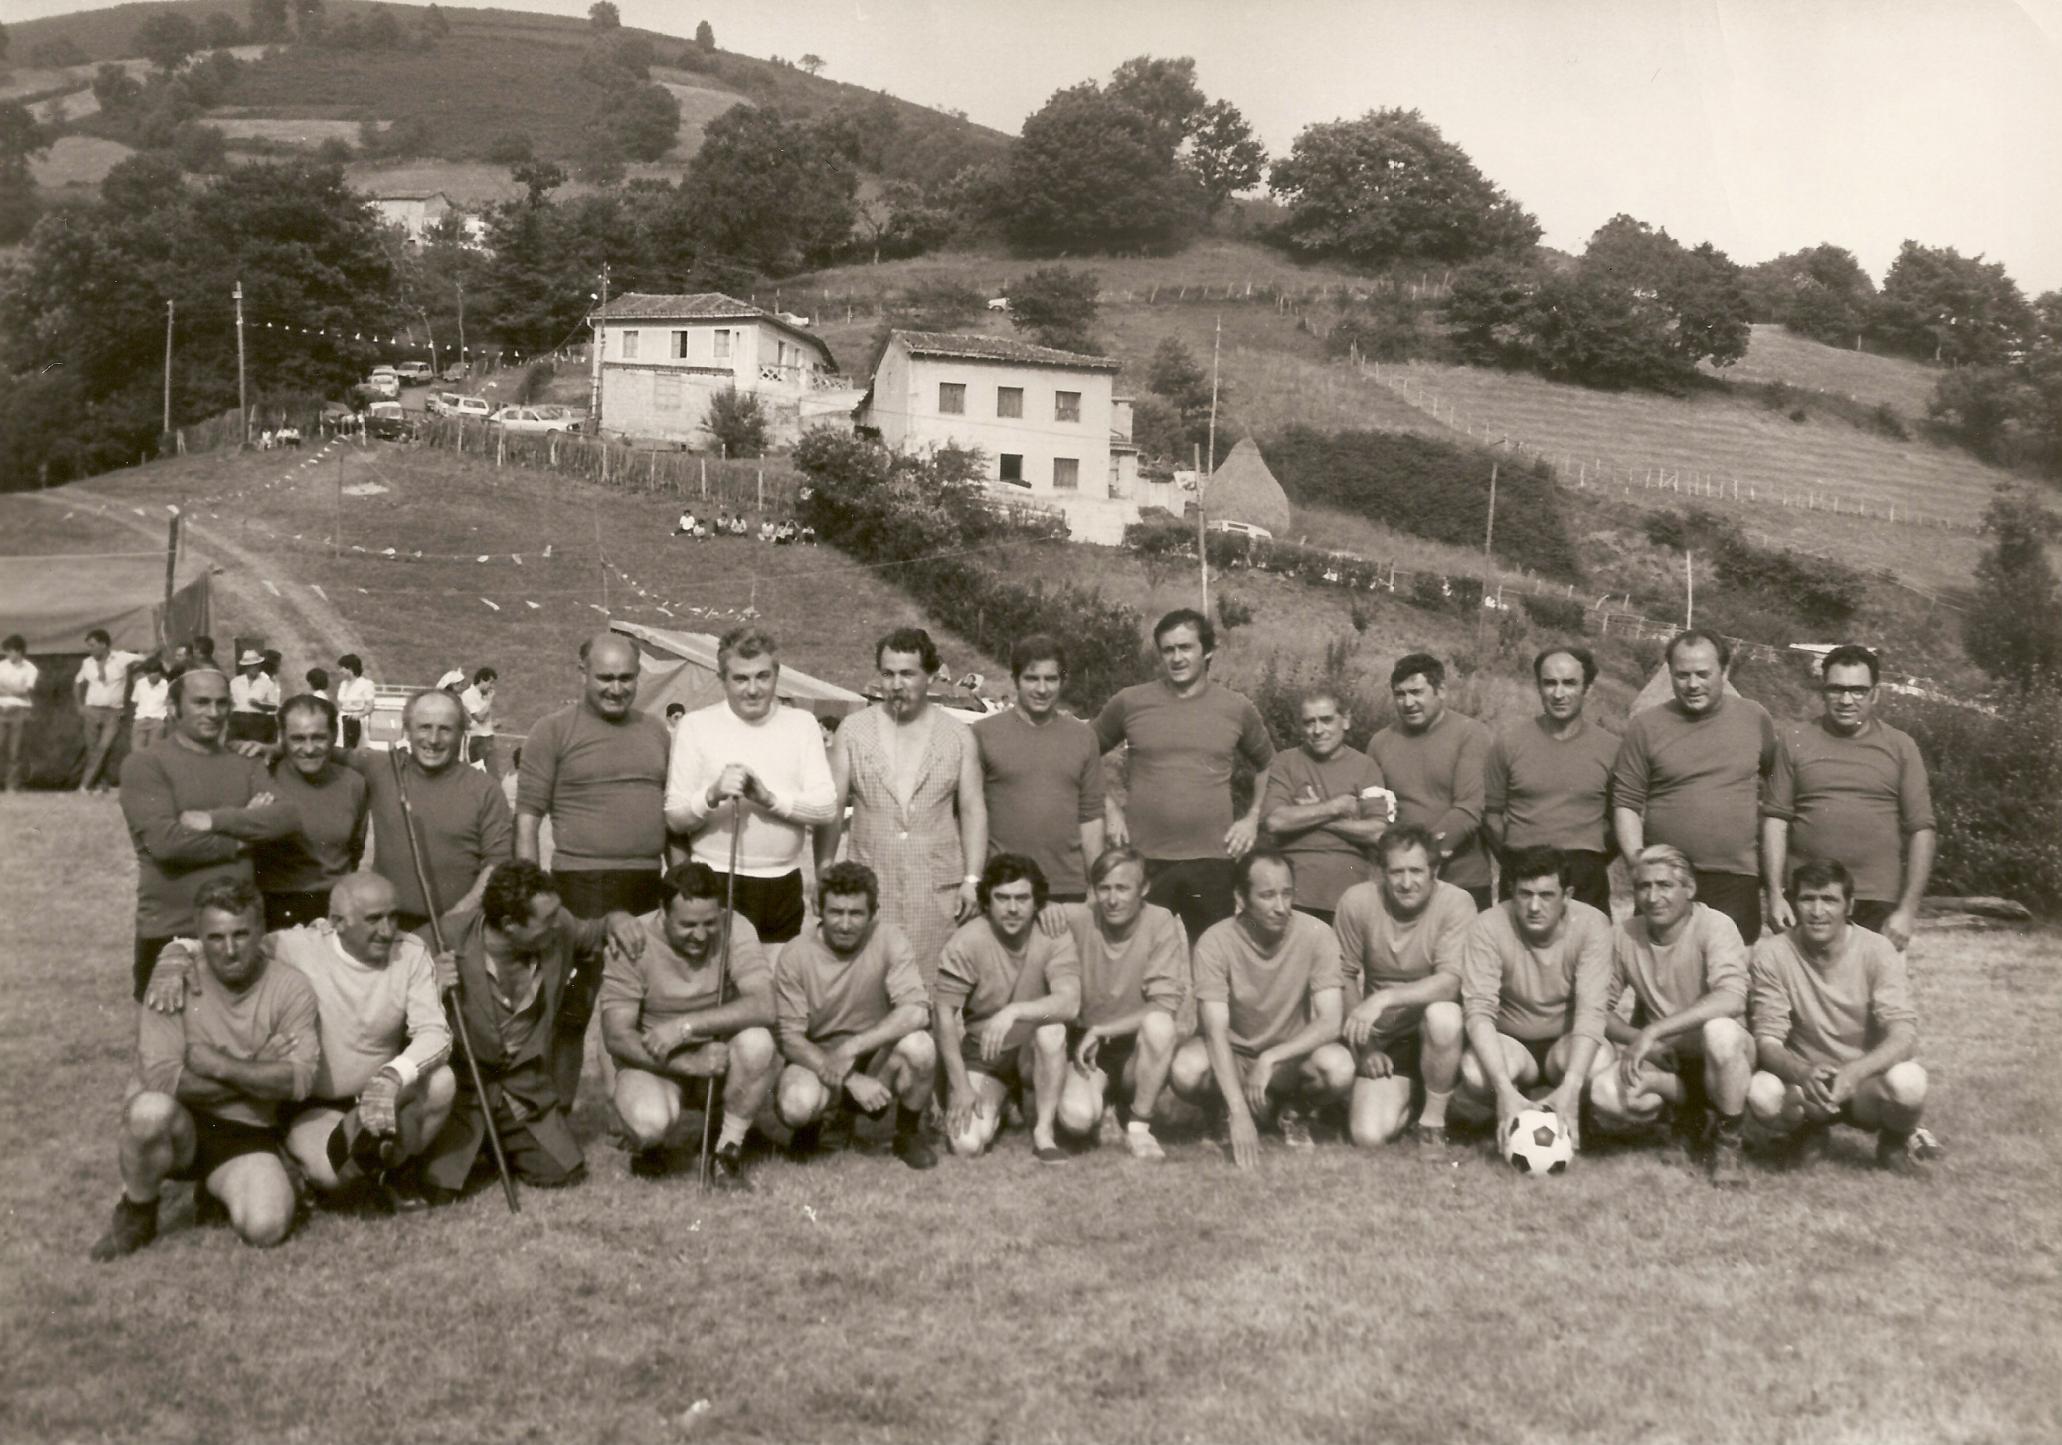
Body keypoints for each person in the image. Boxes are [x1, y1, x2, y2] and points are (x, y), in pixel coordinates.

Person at [139, 873, 456, 1211]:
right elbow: (230, 942)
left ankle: (396, 1171)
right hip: (317, 1104)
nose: (388, 930)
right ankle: (299, 1166)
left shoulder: (410, 952)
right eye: (374, 919)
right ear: (337, 922)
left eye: (393, 916)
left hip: (385, 1089)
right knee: (334, 1174)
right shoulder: (298, 946)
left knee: (441, 1082)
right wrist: (175, 952)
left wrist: (393, 1076)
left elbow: (435, 1032)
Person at [90, 881, 319, 1260]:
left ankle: (218, 1190)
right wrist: (258, 1068)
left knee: (267, 1227)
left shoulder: (290, 987)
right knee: (149, 1111)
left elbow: (297, 1080)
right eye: (215, 938)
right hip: (181, 1123)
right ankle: (138, 1210)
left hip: (248, 1131)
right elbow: (166, 1080)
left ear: (261, 930)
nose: (229, 950)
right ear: (199, 936)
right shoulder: (170, 983)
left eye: (241, 934)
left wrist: (220, 1065)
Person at [419, 861, 642, 1198]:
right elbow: (384, 999)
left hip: (521, 1090)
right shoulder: (441, 938)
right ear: (509, 924)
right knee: (439, 1191)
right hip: (464, 1091)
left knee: (563, 1174)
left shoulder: (559, 926)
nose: (558, 924)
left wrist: (617, 918)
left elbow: (594, 930)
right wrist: (427, 986)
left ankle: (501, 1143)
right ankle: (472, 1145)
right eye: (547, 920)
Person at [517, 634, 671, 1104]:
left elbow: (672, 818)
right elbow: (527, 821)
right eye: (605, 677)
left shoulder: (657, 732)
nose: (616, 688)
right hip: (579, 884)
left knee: (636, 1007)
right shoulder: (553, 729)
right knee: (571, 1008)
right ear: (581, 671)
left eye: (626, 678)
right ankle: (555, 1110)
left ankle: (631, 1110)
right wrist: (532, 898)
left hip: (646, 882)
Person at [819, 627, 987, 990]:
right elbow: (832, 808)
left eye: (907, 673)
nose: (896, 684)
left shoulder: (958, 735)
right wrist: (823, 867)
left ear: (931, 675)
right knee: (866, 990)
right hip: (870, 884)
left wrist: (973, 879)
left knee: (927, 996)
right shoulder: (853, 730)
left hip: (934, 891)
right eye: (888, 673)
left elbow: (973, 810)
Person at [1095, 608, 1275, 944]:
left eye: (1185, 648)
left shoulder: (1236, 707)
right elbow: (1083, 753)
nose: (1176, 658)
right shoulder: (1130, 701)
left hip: (1211, 861)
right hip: (1144, 856)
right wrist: (1110, 809)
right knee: (1133, 959)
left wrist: (1251, 819)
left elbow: (1269, 765)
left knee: (1212, 964)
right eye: (1168, 649)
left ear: (1207, 651)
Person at [1746, 860, 1935, 1174]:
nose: (1817, 911)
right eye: (1808, 899)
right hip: (1810, 1083)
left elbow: (1903, 1033)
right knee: (1762, 1093)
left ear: (1850, 906)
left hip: (1865, 1081)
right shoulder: (1772, 953)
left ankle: (1893, 1143)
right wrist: (1803, 1071)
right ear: (1795, 903)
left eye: (1829, 900)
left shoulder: (1878, 949)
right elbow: (1767, 1040)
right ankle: (1807, 1132)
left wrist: (1855, 1072)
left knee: (1910, 1082)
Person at [119, 668, 297, 1000]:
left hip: (240, 932)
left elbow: (286, 817)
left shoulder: (245, 761)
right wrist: (245, 834)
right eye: (201, 703)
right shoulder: (145, 764)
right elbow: (167, 843)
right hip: (171, 927)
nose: (213, 713)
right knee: (168, 1044)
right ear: (173, 708)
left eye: (221, 703)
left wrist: (215, 820)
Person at [1169, 850, 1354, 1167]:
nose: (1280, 907)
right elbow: (1214, 1032)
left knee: (1339, 1067)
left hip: (1290, 1058)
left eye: (1287, 893)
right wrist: (1238, 1111)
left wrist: (1271, 1057)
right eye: (1267, 896)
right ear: (1241, 897)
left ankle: (1295, 1113)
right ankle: (1224, 1113)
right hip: (1234, 1054)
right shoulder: (1215, 941)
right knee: (1185, 1069)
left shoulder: (1317, 934)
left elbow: (1330, 1021)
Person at [601, 862, 778, 1189]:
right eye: (688, 925)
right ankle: (651, 1148)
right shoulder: (632, 940)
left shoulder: (736, 927)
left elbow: (765, 1005)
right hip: (655, 1061)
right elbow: (617, 1036)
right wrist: (687, 1063)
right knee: (649, 1123)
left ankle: (728, 1150)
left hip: (716, 1054)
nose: (700, 935)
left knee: (759, 1041)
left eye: (710, 923)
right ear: (663, 912)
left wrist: (686, 1026)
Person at [664, 627, 838, 952]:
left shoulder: (801, 725)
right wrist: (711, 795)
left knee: (774, 989)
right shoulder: (695, 726)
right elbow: (674, 818)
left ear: (777, 674)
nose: (754, 690)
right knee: (718, 986)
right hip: (715, 879)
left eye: (763, 677)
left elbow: (826, 808)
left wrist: (767, 798)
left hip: (782, 882)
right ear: (722, 678)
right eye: (741, 679)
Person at [1585, 845, 1752, 1183]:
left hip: (1721, 1057)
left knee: (1720, 1032)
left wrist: (1654, 1031)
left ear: (1689, 889)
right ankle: (1688, 1118)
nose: (1653, 897)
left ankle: (1728, 1140)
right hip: (1668, 1059)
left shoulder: (1716, 925)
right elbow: (1597, 1009)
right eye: (1644, 887)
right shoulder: (1624, 935)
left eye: (1664, 885)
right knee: (1605, 1092)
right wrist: (1641, 1039)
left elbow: (1731, 999)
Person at [1762, 645, 1936, 949]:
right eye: (1836, 689)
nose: (1846, 700)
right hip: (1808, 896)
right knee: (1803, 992)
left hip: (1876, 899)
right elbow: (1775, 820)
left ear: (1875, 694)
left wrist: (1908, 910)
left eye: (1857, 690)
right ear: (1823, 690)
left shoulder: (1901, 747)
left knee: (1870, 994)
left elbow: (1922, 830)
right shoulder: (1795, 740)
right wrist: (1775, 895)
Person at [1612, 629, 1778, 943]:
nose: (1692, 685)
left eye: (1703, 674)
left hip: (1735, 877)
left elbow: (1777, 788)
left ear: (1725, 672)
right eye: (1682, 675)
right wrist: (1640, 866)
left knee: (1728, 980)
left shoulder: (1754, 718)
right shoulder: (1646, 726)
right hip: (1665, 878)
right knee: (1658, 978)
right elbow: (1626, 803)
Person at [772, 861, 939, 1170]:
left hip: (873, 1055)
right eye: (836, 912)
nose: (845, 924)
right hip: (819, 1058)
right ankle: (812, 1127)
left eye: (856, 914)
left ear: (873, 912)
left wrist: (853, 1049)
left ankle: (907, 1133)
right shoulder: (795, 954)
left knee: (920, 1047)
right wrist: (849, 1078)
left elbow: (916, 1011)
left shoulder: (890, 939)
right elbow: (790, 1040)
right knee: (796, 1105)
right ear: (818, 909)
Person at [1452, 845, 1616, 1149]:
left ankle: (1570, 1104)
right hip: (1514, 1043)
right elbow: (1478, 1011)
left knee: (1600, 1062)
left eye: (1546, 895)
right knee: (1475, 1073)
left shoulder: (1593, 924)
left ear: (1567, 895)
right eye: (1525, 894)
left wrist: (1572, 1083)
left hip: (1564, 1043)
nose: (1534, 906)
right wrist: (1501, 1087)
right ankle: (1512, 1107)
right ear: (1512, 892)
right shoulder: (1488, 925)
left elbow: (1592, 1010)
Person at [1332, 824, 1476, 1154]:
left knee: (1444, 1015)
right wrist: (1365, 1048)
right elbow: (1343, 973)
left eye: (1416, 871)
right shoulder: (1357, 901)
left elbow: (1450, 981)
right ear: (1381, 872)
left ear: (1434, 871)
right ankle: (1413, 1099)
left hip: (1438, 1035)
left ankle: (1434, 1123)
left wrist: (1385, 997)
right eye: (1396, 872)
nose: (1406, 882)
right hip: (1385, 1037)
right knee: (1368, 1135)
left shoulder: (1457, 902)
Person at [934, 854, 1080, 1162]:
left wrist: (1014, 1011)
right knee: (966, 1144)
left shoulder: (1053, 932)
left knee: (1052, 1031)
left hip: (1033, 1051)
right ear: (987, 901)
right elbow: (944, 1014)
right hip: (985, 1053)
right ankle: (1000, 1103)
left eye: (1022, 898)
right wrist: (960, 1086)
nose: (1012, 908)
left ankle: (1043, 1132)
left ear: (1036, 900)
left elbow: (1069, 1003)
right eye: (1002, 898)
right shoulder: (967, 940)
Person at [1048, 845, 1186, 1161]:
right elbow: (1024, 911)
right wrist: (1045, 908)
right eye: (1104, 888)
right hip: (1087, 1049)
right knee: (1076, 1119)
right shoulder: (1080, 917)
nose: (1112, 899)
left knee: (1161, 1026)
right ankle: (1101, 1106)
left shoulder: (1159, 921)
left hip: (1133, 1048)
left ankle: (1139, 1124)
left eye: (1123, 888)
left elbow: (1164, 1003)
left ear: (1144, 889)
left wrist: (1103, 1029)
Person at [347, 689, 513, 934]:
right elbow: (317, 751)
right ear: (407, 730)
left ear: (461, 734)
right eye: (424, 727)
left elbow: (498, 862)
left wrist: (458, 917)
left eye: (445, 729)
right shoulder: (382, 768)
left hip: (456, 927)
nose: (433, 740)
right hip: (390, 928)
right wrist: (273, 750)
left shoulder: (485, 789)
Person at [1484, 646, 1619, 912]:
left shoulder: (1612, 748)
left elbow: (1621, 821)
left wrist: (1592, 860)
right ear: (1538, 687)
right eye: (1550, 683)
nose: (1559, 694)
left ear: (1587, 689)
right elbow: (1490, 817)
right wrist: (1515, 861)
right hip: (1523, 869)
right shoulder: (1508, 743)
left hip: (1585, 875)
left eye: (1569, 683)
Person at [973, 635, 1105, 905]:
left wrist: (1095, 884)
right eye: (1032, 678)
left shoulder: (1083, 737)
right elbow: (968, 815)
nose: (1042, 689)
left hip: (1068, 887)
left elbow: (1091, 818)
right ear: (1015, 679)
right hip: (1005, 887)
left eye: (1051, 679)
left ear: (1062, 681)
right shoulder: (983, 734)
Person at [1367, 653, 1493, 910]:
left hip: (1461, 880)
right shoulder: (1380, 742)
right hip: (1402, 882)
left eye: (1416, 692)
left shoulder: (1470, 733)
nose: (1408, 702)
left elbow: (1469, 808)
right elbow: (1377, 812)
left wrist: (1420, 858)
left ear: (1441, 690)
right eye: (1399, 694)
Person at [1260, 687, 1391, 924]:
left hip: (1348, 889)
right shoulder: (1285, 762)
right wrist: (1334, 807)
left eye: (1326, 720)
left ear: (1346, 721)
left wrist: (1314, 815)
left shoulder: (1367, 767)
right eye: (1309, 722)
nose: (1318, 730)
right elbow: (1275, 821)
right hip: (1294, 890)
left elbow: (1379, 832)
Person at [248, 694, 369, 930]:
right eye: (298, 739)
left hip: (336, 905)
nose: (309, 748)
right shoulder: (264, 777)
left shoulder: (354, 783)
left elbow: (356, 847)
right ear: (282, 737)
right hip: (276, 903)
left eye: (319, 737)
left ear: (334, 735)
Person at [75, 628, 142, 792]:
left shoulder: (121, 658)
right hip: (91, 710)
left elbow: (145, 658)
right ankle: (102, 785)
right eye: (88, 646)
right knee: (93, 749)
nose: (90, 649)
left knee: (104, 747)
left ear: (104, 644)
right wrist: (79, 705)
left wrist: (137, 672)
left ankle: (84, 785)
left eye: (92, 645)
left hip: (114, 712)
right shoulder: (87, 663)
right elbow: (77, 682)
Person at [0, 633, 34, 790]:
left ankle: (12, 786)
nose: (6, 654)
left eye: (9, 651)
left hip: (20, 711)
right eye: (5, 651)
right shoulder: (1, 665)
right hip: (1, 709)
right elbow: (18, 690)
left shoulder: (31, 668)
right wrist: (15, 690)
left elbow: (25, 691)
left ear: (19, 651)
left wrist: (5, 689)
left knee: (15, 750)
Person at [228, 648, 281, 747]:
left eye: (256, 665)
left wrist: (259, 705)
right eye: (250, 666)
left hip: (257, 722)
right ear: (245, 667)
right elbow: (229, 702)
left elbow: (275, 706)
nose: (254, 668)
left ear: (260, 665)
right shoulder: (235, 682)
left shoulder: (267, 683)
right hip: (238, 720)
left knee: (254, 751)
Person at [130, 656, 171, 755]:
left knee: (154, 753)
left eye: (154, 672)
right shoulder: (140, 683)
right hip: (140, 721)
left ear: (160, 673)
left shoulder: (167, 685)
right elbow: (135, 700)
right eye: (148, 673)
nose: (151, 675)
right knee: (136, 753)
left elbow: (169, 704)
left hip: (157, 722)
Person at [459, 666, 498, 771]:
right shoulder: (468, 695)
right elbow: (479, 718)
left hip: (488, 738)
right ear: (481, 680)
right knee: (484, 775)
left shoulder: (483, 695)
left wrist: (493, 724)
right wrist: (489, 701)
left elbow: (484, 717)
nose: (492, 687)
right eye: (490, 682)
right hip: (478, 740)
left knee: (492, 775)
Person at [336, 654, 375, 749]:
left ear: (350, 668)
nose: (339, 671)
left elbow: (370, 706)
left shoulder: (365, 684)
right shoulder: (343, 684)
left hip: (357, 721)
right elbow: (340, 704)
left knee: (355, 749)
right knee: (341, 749)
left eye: (342, 668)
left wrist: (359, 715)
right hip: (342, 720)